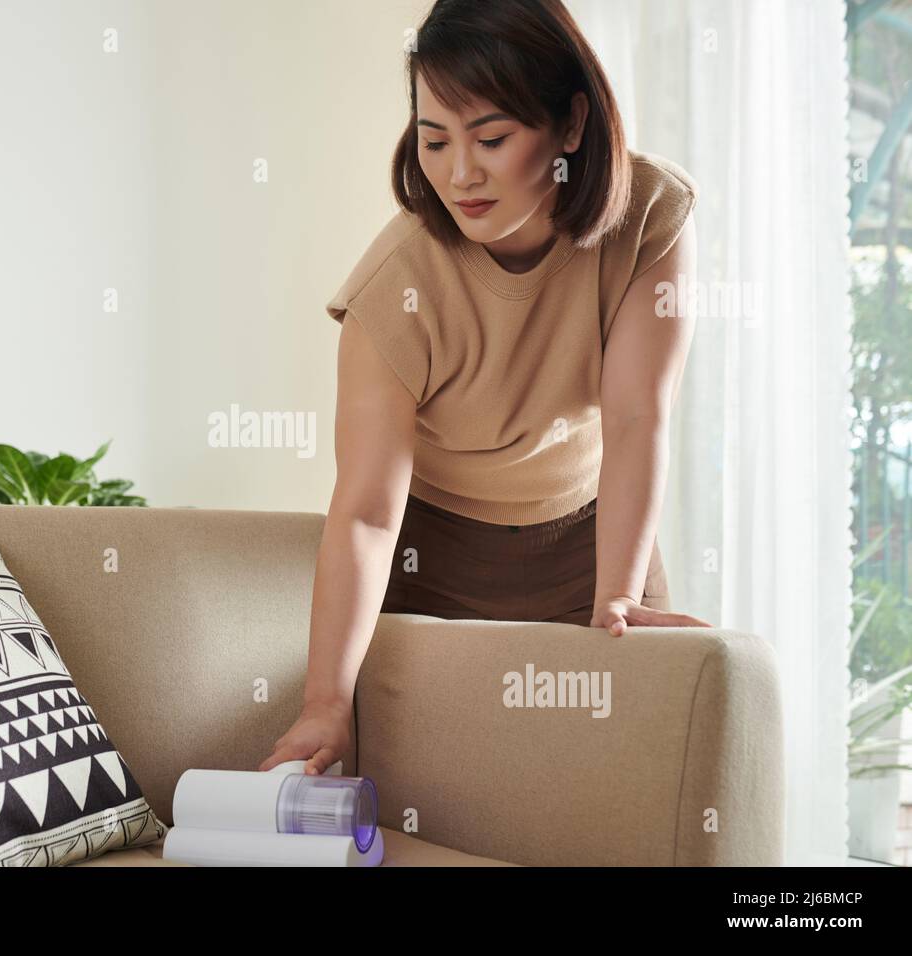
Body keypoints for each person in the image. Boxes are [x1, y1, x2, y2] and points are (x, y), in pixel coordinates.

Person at [258, 0, 712, 777]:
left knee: (637, 787)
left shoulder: (648, 215)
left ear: (571, 126)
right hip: (433, 561)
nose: (460, 173)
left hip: (594, 546)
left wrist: (618, 599)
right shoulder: (394, 287)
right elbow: (367, 514)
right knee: (459, 798)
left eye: (491, 138)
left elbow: (639, 417)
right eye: (434, 140)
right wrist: (325, 703)